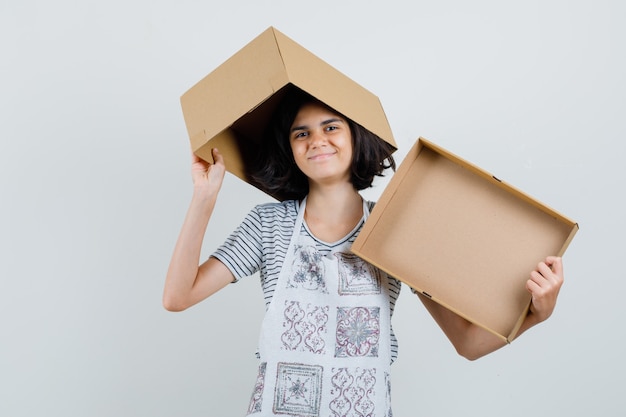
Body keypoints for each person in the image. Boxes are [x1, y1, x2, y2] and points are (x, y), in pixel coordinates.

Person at [163, 89, 565, 416]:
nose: (316, 140)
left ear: (356, 136)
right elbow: (179, 297)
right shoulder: (269, 224)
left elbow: (468, 344)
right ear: (290, 148)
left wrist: (534, 315)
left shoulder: (393, 231)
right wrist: (204, 197)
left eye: (331, 127)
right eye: (300, 133)